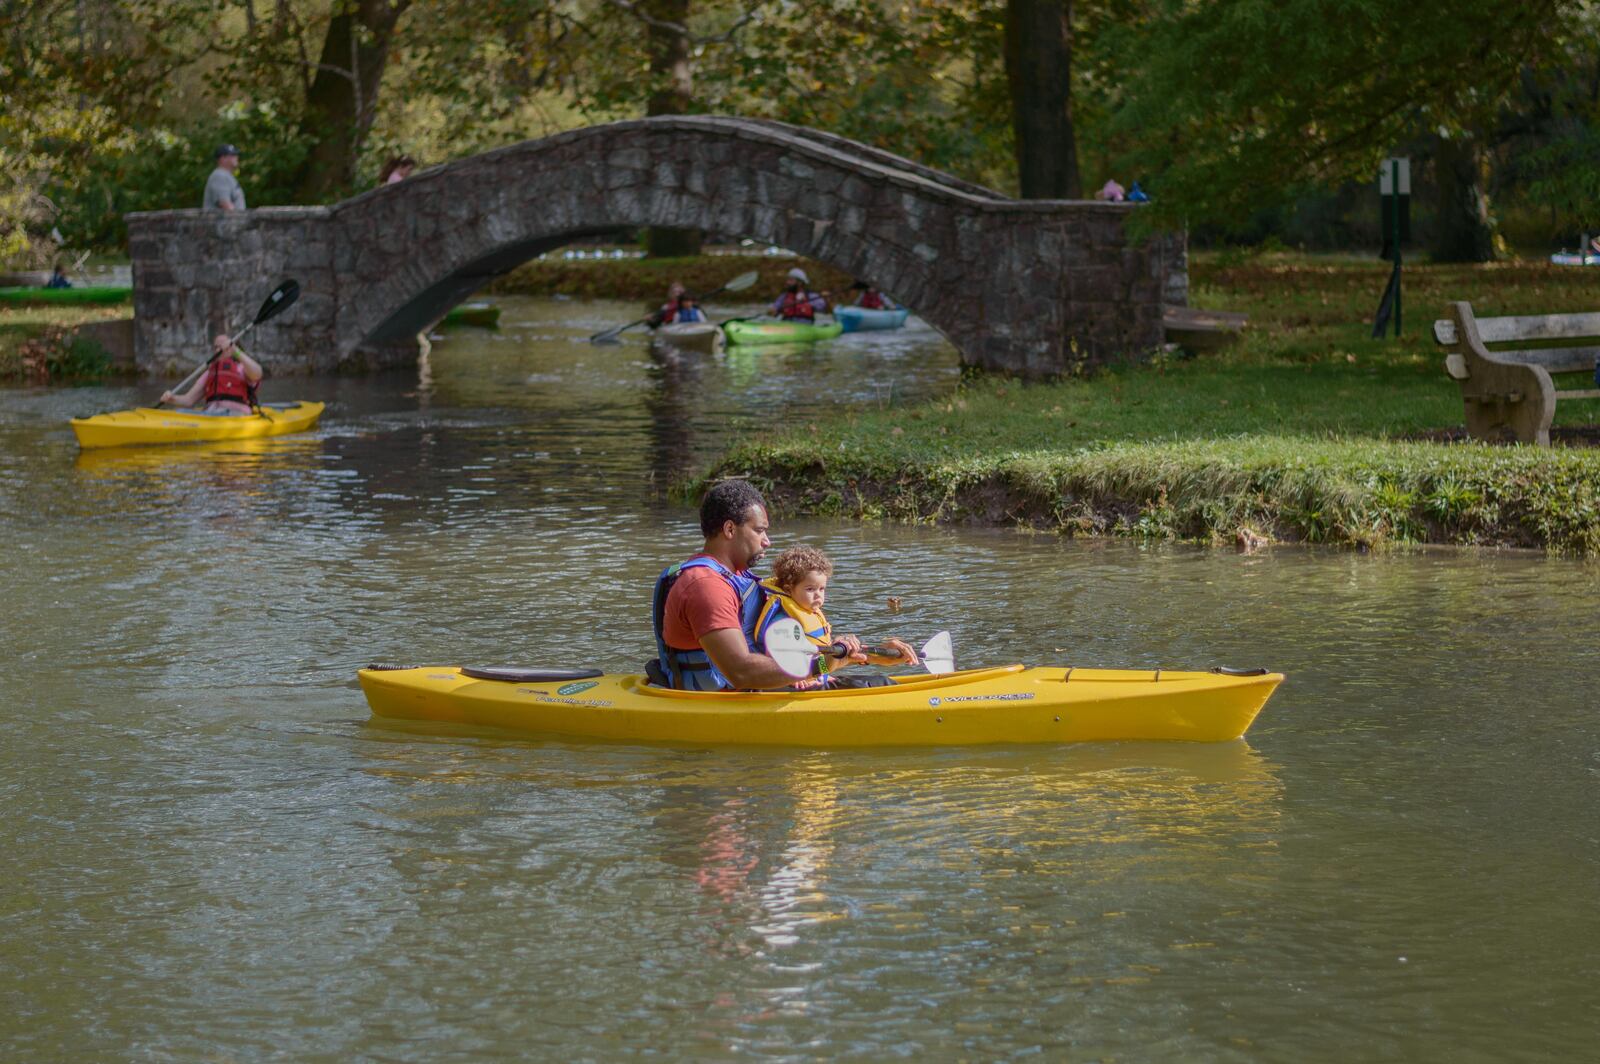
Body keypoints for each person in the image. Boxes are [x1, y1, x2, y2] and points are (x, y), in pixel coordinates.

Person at [651, 479, 916, 691]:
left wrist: (870, 653)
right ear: (730, 530)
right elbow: (742, 672)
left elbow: (787, 648)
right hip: (730, 698)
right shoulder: (707, 586)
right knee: (877, 686)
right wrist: (823, 665)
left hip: (756, 689)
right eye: (759, 530)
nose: (767, 541)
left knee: (877, 682)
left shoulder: (736, 578)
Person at [755, 545, 897, 689]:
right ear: (788, 589)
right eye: (810, 589)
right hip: (794, 683)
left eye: (821, 588)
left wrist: (823, 673)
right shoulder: (783, 619)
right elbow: (773, 653)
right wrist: (789, 677)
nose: (818, 594)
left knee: (881, 680)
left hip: (815, 676)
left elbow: (817, 656)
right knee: (878, 684)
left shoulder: (808, 612)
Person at [159, 335, 263, 415]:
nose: (218, 350)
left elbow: (258, 374)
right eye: (216, 347)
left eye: (222, 345)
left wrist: (236, 351)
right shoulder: (210, 372)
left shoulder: (242, 368)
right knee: (181, 412)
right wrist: (172, 398)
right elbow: (189, 400)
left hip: (236, 415)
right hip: (211, 414)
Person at [203, 145, 246, 211]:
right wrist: (240, 219)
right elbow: (225, 204)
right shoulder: (219, 176)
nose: (236, 157)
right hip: (226, 221)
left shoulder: (226, 175)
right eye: (232, 155)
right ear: (222, 158)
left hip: (233, 220)